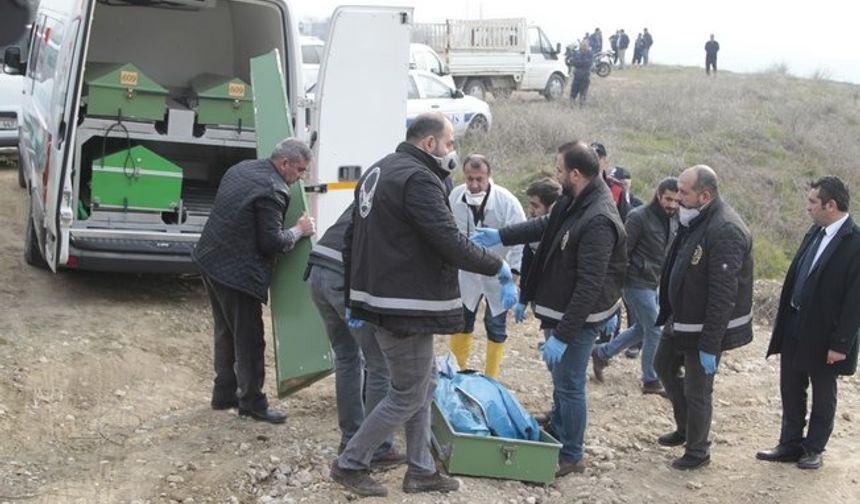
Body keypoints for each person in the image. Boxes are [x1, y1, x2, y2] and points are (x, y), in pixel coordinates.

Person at [331, 113, 514, 497]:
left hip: (382, 299)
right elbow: (447, 239)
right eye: (449, 143)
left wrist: (354, 294)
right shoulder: (418, 178)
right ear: (430, 143)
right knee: (408, 393)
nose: (451, 152)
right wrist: (495, 264)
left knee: (423, 384)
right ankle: (351, 462)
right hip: (404, 306)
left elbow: (352, 237)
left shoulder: (379, 172)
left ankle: (421, 469)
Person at [473, 141, 627, 478]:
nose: (555, 175)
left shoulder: (598, 218)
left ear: (575, 173)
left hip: (578, 318)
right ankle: (559, 422)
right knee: (561, 379)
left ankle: (572, 454)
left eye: (559, 170)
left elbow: (589, 286)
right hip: (559, 310)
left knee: (571, 383)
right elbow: (544, 226)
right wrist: (501, 235)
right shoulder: (573, 200)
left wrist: (563, 335)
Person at [193, 138, 317, 424]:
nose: (300, 178)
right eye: (299, 170)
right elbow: (271, 242)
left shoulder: (242, 168)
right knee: (249, 341)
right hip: (238, 275)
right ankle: (252, 403)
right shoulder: (273, 190)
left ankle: (224, 393)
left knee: (225, 331)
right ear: (284, 163)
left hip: (209, 259)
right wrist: (299, 230)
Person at [654, 165, 753, 470]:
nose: (677, 197)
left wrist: (711, 344)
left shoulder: (725, 230)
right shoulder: (696, 219)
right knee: (663, 365)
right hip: (682, 318)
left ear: (705, 195)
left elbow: (723, 295)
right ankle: (686, 428)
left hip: (704, 328)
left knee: (697, 388)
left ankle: (698, 450)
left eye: (684, 192)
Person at [757, 176, 860, 470]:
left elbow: (855, 302)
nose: (808, 208)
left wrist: (841, 343)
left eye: (813, 202)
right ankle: (789, 444)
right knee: (790, 386)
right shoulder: (814, 232)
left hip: (826, 335)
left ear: (831, 205)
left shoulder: (855, 242)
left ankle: (813, 448)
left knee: (823, 393)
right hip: (794, 324)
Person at [305, 204, 405, 467]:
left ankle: (350, 438)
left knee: (347, 358)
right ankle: (378, 448)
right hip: (343, 276)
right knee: (379, 364)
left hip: (317, 271)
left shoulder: (372, 191)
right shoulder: (403, 202)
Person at [591, 177, 680, 394]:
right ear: (659, 195)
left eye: (676, 200)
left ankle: (602, 353)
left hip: (655, 281)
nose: (672, 204)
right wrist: (615, 286)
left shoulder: (675, 219)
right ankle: (651, 379)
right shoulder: (639, 217)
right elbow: (622, 251)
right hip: (635, 282)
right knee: (655, 329)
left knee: (643, 328)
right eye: (668, 199)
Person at [449, 154, 526, 378]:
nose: (474, 185)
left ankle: (492, 377)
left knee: (495, 325)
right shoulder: (455, 197)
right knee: (462, 321)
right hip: (467, 274)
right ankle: (457, 373)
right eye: (469, 179)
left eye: (479, 179)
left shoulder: (507, 202)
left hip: (498, 276)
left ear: (489, 177)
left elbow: (519, 241)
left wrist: (513, 279)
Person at [514, 177, 563, 326]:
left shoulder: (566, 232)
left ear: (552, 207)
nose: (531, 210)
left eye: (536, 206)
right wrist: (523, 298)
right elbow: (527, 263)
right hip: (543, 298)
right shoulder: (532, 229)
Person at [567, 40, 594, 108]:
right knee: (573, 93)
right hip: (576, 77)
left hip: (585, 77)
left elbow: (588, 63)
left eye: (585, 46)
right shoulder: (578, 53)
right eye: (582, 46)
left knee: (583, 94)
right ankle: (571, 107)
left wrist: (578, 63)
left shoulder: (590, 54)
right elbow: (572, 61)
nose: (583, 47)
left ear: (587, 46)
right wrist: (580, 63)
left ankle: (582, 108)